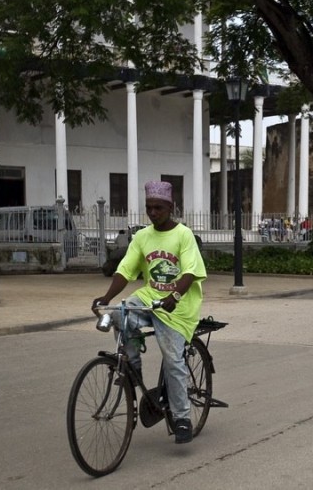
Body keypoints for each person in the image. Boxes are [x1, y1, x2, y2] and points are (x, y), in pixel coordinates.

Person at [92, 180, 207, 445]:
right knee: (119, 314)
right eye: (149, 208)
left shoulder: (183, 235)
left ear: (170, 207)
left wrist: (174, 295)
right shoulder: (142, 237)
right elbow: (125, 270)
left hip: (178, 307)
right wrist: (107, 297)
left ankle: (181, 418)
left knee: (172, 359)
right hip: (150, 297)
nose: (153, 213)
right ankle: (133, 369)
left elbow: (190, 272)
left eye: (158, 208)